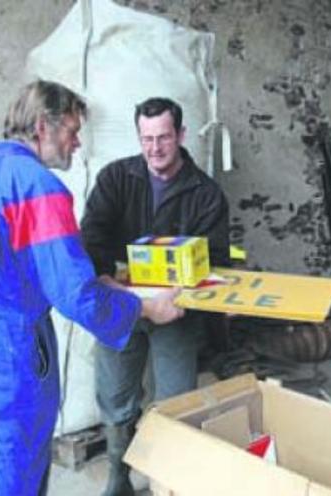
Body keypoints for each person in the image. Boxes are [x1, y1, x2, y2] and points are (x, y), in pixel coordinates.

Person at [0, 80, 184, 496]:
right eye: (72, 131)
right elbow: (76, 295)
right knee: (15, 477)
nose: (77, 143)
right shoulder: (36, 186)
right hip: (8, 355)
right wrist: (147, 308)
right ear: (43, 126)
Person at [80, 97, 230, 495]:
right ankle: (118, 476)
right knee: (115, 395)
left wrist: (180, 291)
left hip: (176, 312)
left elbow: (215, 259)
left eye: (164, 137)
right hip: (121, 307)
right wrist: (111, 283)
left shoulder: (206, 194)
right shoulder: (115, 179)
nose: (155, 148)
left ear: (180, 135)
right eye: (147, 139)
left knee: (176, 400)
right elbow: (91, 237)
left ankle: (168, 481)